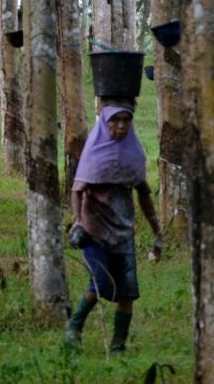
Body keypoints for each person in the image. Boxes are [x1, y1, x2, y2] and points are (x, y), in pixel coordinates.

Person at [64, 102, 162, 351]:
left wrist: (156, 230)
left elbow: (144, 193)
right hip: (94, 231)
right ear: (105, 124)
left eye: (125, 120)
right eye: (114, 120)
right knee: (101, 284)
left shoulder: (133, 153)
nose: (120, 126)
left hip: (123, 232)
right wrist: (76, 220)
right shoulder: (94, 153)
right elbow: (77, 190)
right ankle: (74, 326)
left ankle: (118, 346)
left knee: (128, 293)